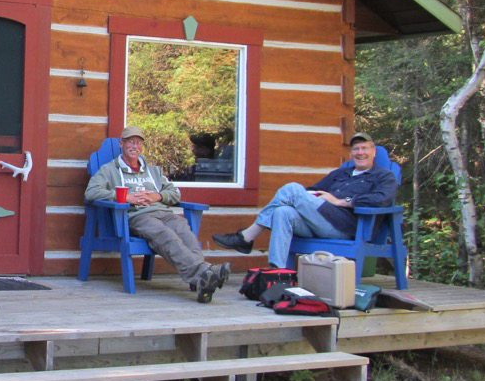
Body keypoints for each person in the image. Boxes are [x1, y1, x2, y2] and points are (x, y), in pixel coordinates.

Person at [84, 126, 230, 303]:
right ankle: (206, 273)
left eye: (138, 143)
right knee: (166, 235)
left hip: (163, 212)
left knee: (185, 232)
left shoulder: (153, 171)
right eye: (130, 141)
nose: (134, 146)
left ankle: (202, 279)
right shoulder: (109, 170)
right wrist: (125, 197)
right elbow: (91, 192)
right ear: (121, 144)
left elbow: (175, 193)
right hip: (138, 216)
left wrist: (157, 195)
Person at [213, 133, 397, 268]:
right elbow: (311, 190)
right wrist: (313, 196)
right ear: (351, 154)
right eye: (356, 149)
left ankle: (247, 237)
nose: (360, 152)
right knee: (282, 211)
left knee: (292, 188)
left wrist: (342, 201)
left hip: (347, 228)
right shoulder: (341, 173)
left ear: (373, 152)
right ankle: (277, 272)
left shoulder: (384, 176)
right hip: (321, 221)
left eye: (365, 148)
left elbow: (381, 199)